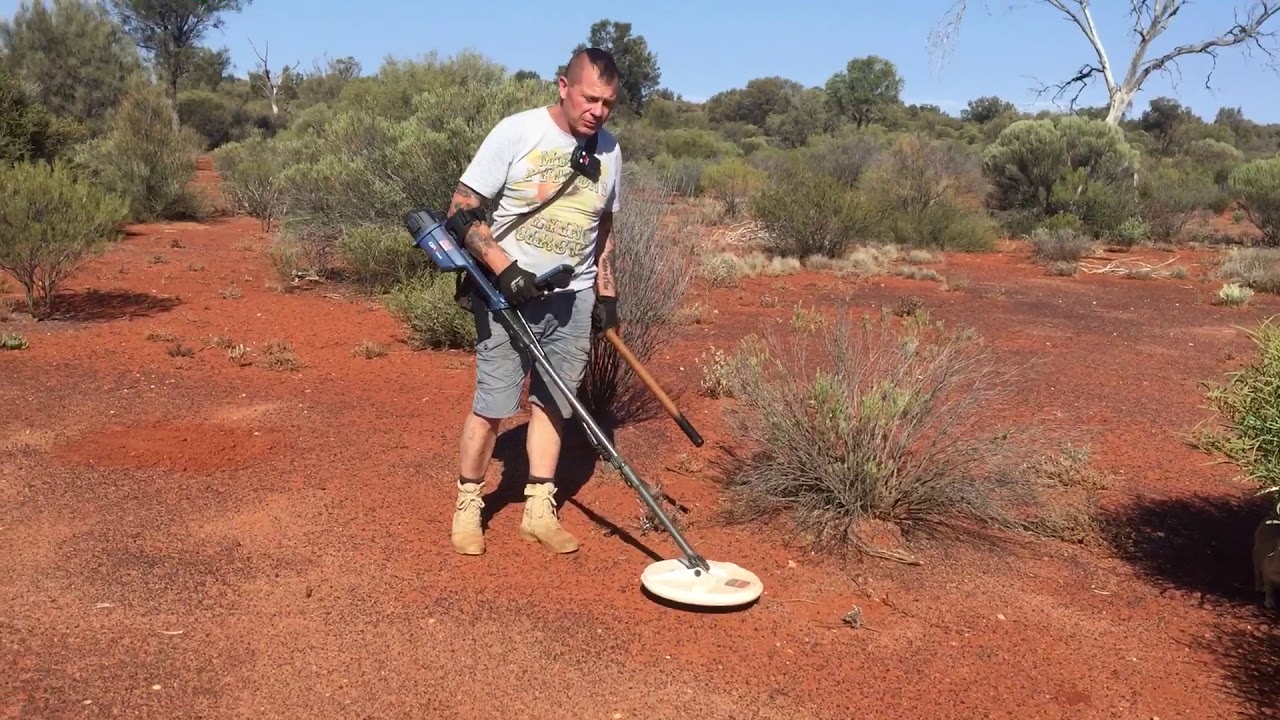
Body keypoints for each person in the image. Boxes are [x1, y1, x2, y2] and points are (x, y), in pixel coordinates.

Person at [443, 47, 624, 556]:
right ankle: (468, 503)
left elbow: (604, 224)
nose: (598, 112)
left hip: (572, 297)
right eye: (590, 98)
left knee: (554, 402)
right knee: (493, 403)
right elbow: (461, 208)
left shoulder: (609, 151)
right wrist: (505, 270)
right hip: (506, 298)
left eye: (608, 103)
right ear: (563, 85)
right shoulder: (517, 131)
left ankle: (538, 509)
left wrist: (605, 292)